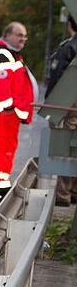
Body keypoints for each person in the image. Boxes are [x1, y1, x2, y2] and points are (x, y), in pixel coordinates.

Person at [0, 22, 36, 202]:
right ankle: (1, 189)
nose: (23, 39)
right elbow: (1, 86)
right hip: (4, 112)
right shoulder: (4, 55)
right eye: (19, 35)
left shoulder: (7, 54)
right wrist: (10, 108)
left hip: (1, 111)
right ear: (8, 35)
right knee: (4, 150)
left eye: (25, 36)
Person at [47, 15, 77, 205]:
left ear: (70, 25)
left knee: (67, 145)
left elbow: (57, 75)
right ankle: (74, 191)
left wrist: (50, 104)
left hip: (69, 101)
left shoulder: (68, 46)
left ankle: (63, 194)